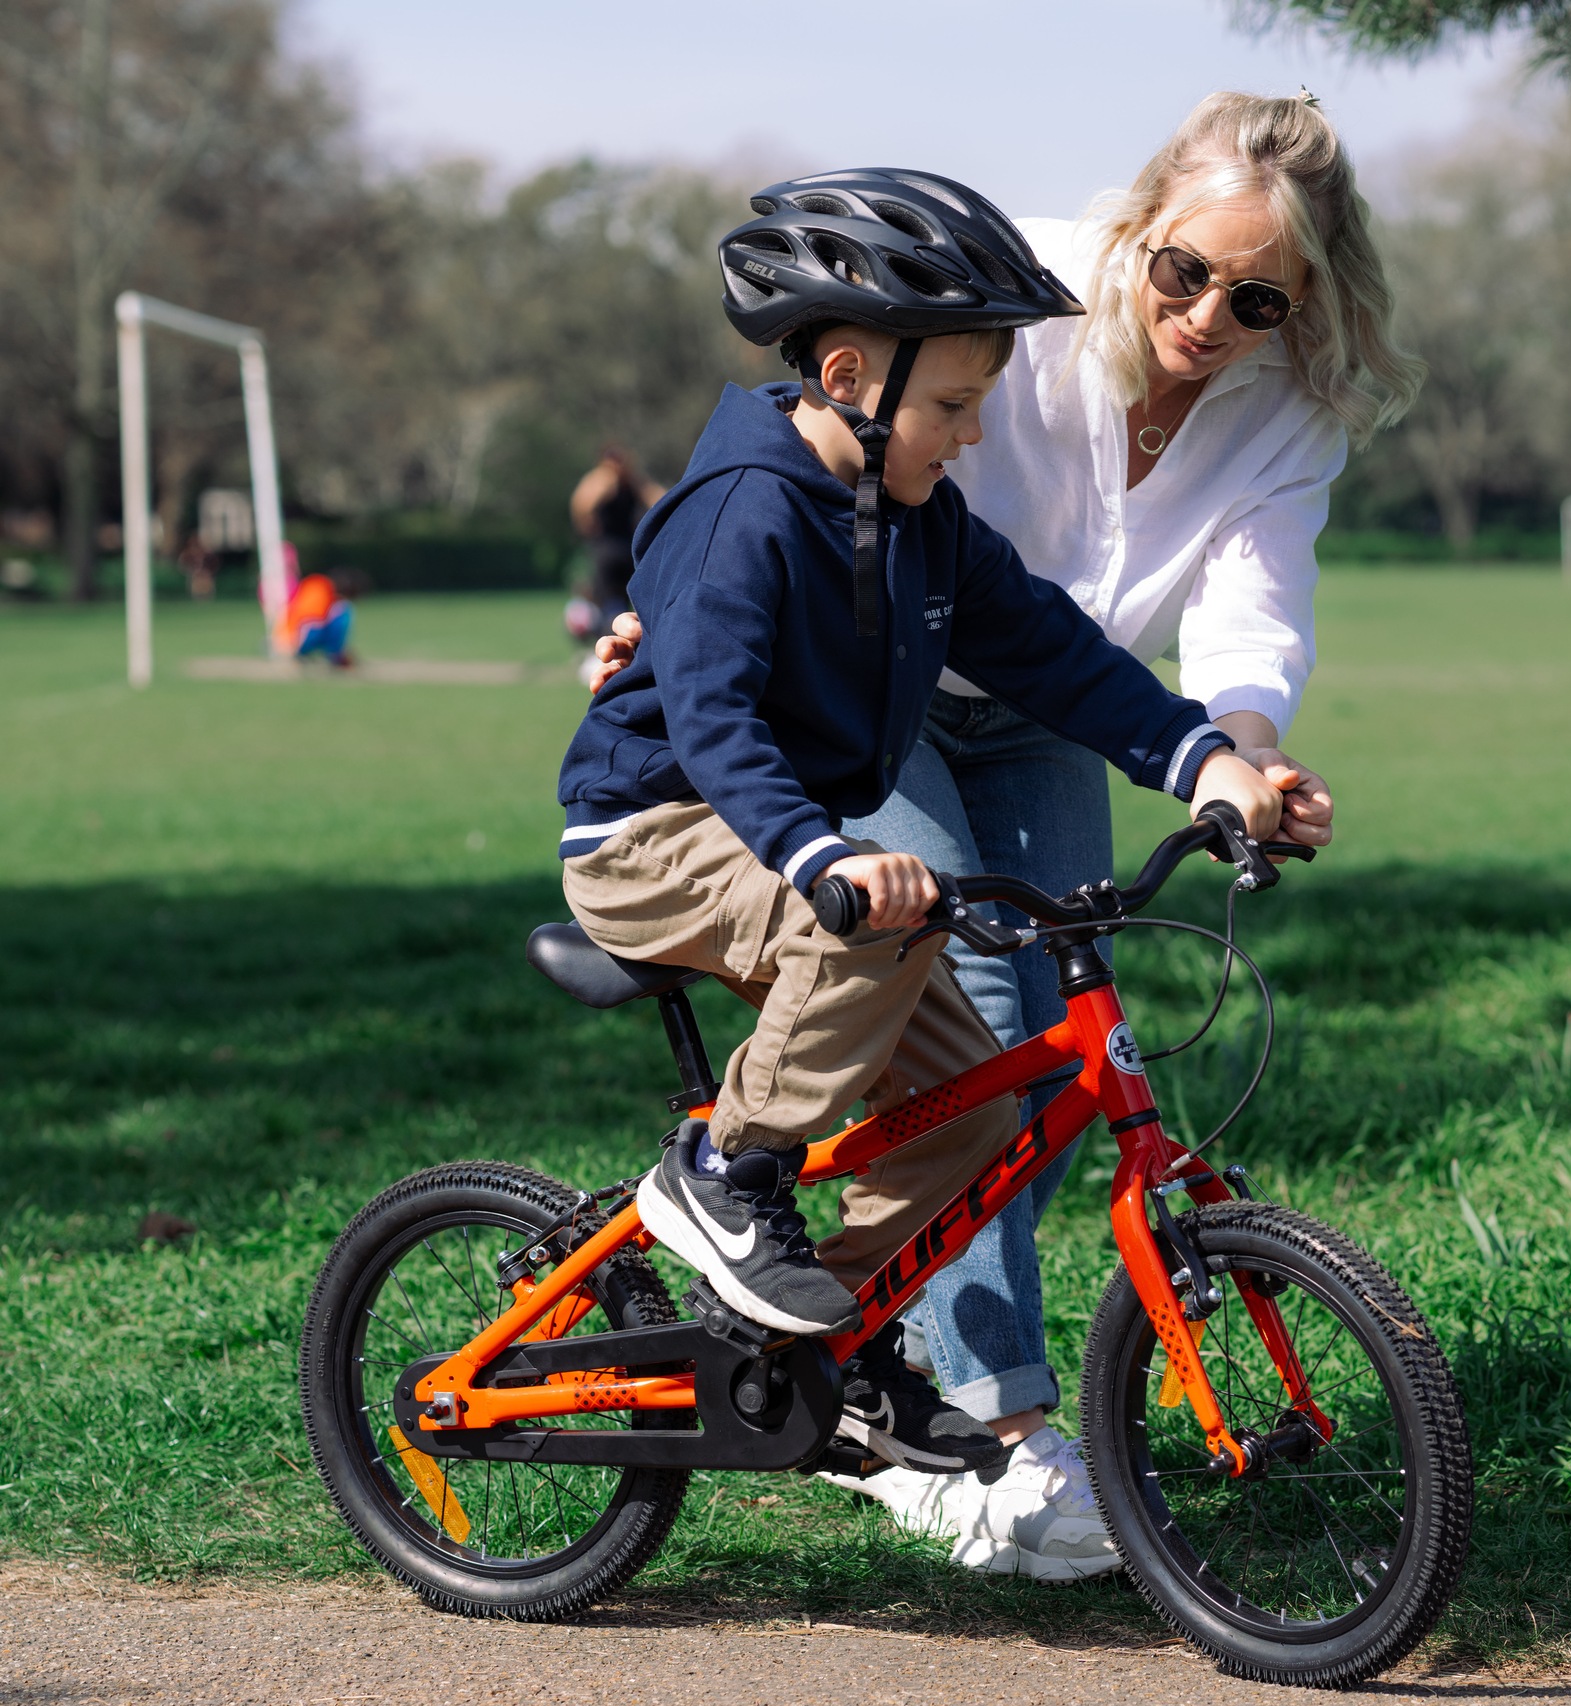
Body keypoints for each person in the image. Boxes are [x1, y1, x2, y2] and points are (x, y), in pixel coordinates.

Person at [592, 91, 1417, 1581]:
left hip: (1024, 687)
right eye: (1183, 273)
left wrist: (1223, 758)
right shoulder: (996, 303)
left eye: (1258, 297)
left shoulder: (1271, 412)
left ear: (1304, 299)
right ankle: (990, 1430)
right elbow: (780, 480)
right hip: (861, 706)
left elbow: (1147, 619)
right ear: (1138, 229)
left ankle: (857, 1370)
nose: (1208, 314)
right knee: (949, 973)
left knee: (1020, 1083)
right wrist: (699, 612)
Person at [569, 444, 664, 620]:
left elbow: (659, 498)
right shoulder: (597, 481)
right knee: (606, 601)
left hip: (628, 549)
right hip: (606, 551)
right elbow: (581, 506)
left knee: (627, 602)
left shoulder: (633, 482)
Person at [275, 565, 362, 667]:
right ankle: (334, 655)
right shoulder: (320, 588)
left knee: (338, 613)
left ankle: (334, 654)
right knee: (343, 612)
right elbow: (310, 620)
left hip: (294, 633)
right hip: (294, 636)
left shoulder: (320, 586)